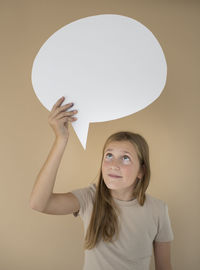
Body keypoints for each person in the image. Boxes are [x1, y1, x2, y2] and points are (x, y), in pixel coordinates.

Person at [30, 96, 174, 270]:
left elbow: (164, 267)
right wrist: (60, 139)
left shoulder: (158, 210)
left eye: (125, 158)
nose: (114, 165)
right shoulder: (89, 198)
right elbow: (39, 203)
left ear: (141, 171)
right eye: (109, 155)